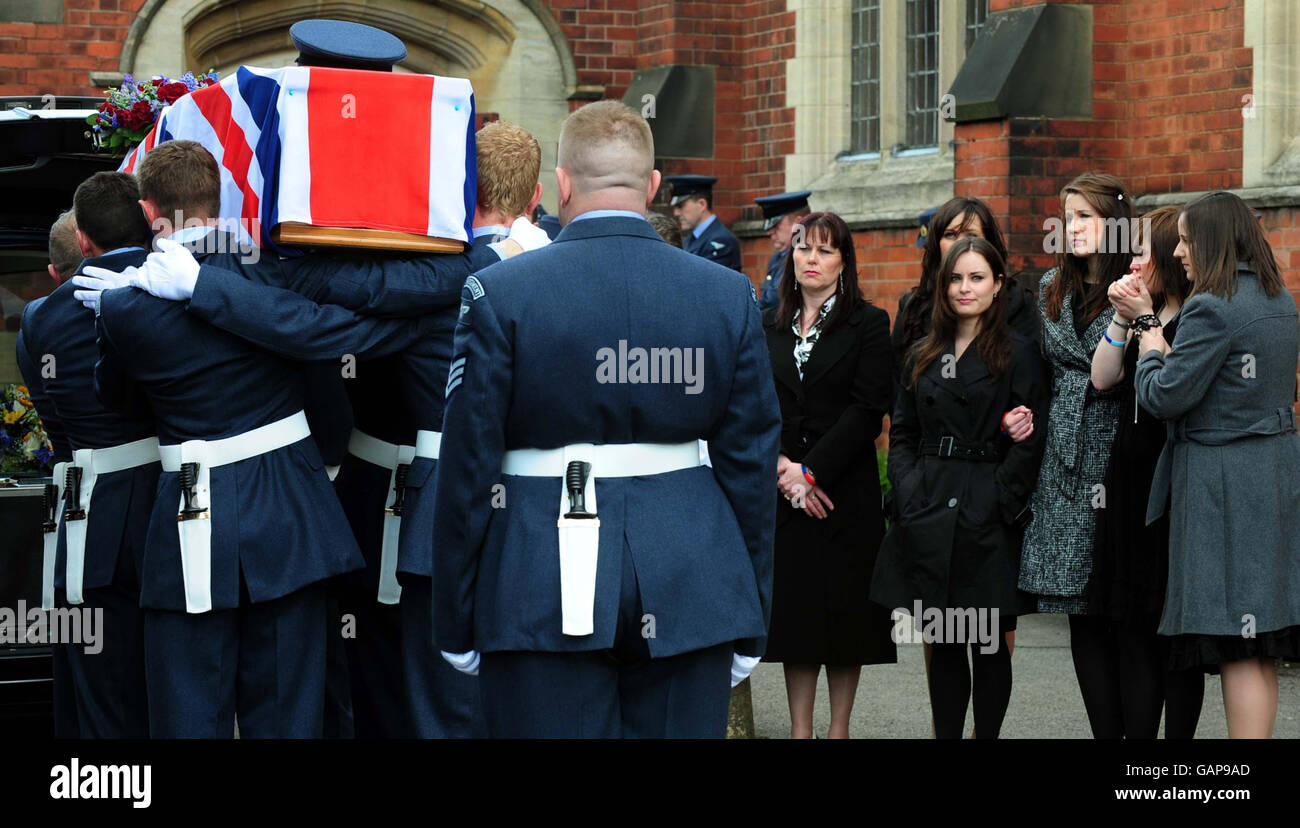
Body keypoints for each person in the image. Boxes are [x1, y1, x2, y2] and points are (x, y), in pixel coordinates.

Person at [432, 99, 781, 738]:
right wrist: (750, 609)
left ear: (561, 184)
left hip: (534, 572)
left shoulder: (499, 291)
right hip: (690, 578)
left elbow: (468, 467)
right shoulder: (726, 293)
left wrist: (455, 614)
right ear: (651, 187)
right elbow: (751, 467)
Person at [1133, 191, 1300, 738]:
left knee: (1237, 643)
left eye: (1184, 239)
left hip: (1224, 484)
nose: (1178, 251)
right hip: (1272, 475)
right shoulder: (1279, 300)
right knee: (1260, 640)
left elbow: (1163, 398)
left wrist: (1148, 340)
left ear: (1210, 240)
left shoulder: (1212, 305)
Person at [872, 236, 1048, 739]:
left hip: (987, 511)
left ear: (998, 287)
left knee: (988, 642)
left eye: (977, 277)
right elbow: (902, 432)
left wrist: (1001, 497)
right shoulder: (922, 353)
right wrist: (905, 492)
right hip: (929, 507)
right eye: (955, 278)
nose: (965, 288)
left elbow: (1033, 437)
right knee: (945, 642)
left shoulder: (1020, 353)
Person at [15, 177, 157, 739]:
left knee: (98, 692)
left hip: (86, 516)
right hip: (165, 512)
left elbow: (61, 433)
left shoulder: (39, 321)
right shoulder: (164, 286)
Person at [759, 211, 895, 739]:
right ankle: (801, 732)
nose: (811, 259)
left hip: (842, 493)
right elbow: (753, 404)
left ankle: (838, 730)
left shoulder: (868, 322)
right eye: (803, 249)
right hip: (784, 490)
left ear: (844, 261)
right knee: (796, 619)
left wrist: (812, 474)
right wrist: (783, 470)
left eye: (824, 250)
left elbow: (868, 410)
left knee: (843, 618)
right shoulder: (767, 322)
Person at [1085, 206, 1205, 738]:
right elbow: (1103, 378)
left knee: (1172, 634)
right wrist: (1121, 317)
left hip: (1174, 484)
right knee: (1131, 625)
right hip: (1127, 484)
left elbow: (1175, 388)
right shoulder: (1139, 314)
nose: (1133, 261)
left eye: (1142, 252)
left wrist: (1149, 321)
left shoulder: (1197, 317)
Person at [1018, 171, 1132, 728]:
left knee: (1118, 608)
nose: (1074, 228)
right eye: (1068, 218)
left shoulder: (1138, 283)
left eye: (1086, 216)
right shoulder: (1049, 288)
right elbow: (1037, 374)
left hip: (1118, 449)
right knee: (1079, 616)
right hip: (1062, 457)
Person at [665, 174, 743, 271]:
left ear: (702, 204)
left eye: (681, 206)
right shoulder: (692, 239)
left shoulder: (721, 241)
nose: (676, 213)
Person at [753, 190, 812, 311]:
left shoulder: (809, 258)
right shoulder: (778, 257)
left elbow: (774, 301)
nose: (769, 231)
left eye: (776, 225)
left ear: (798, 223)